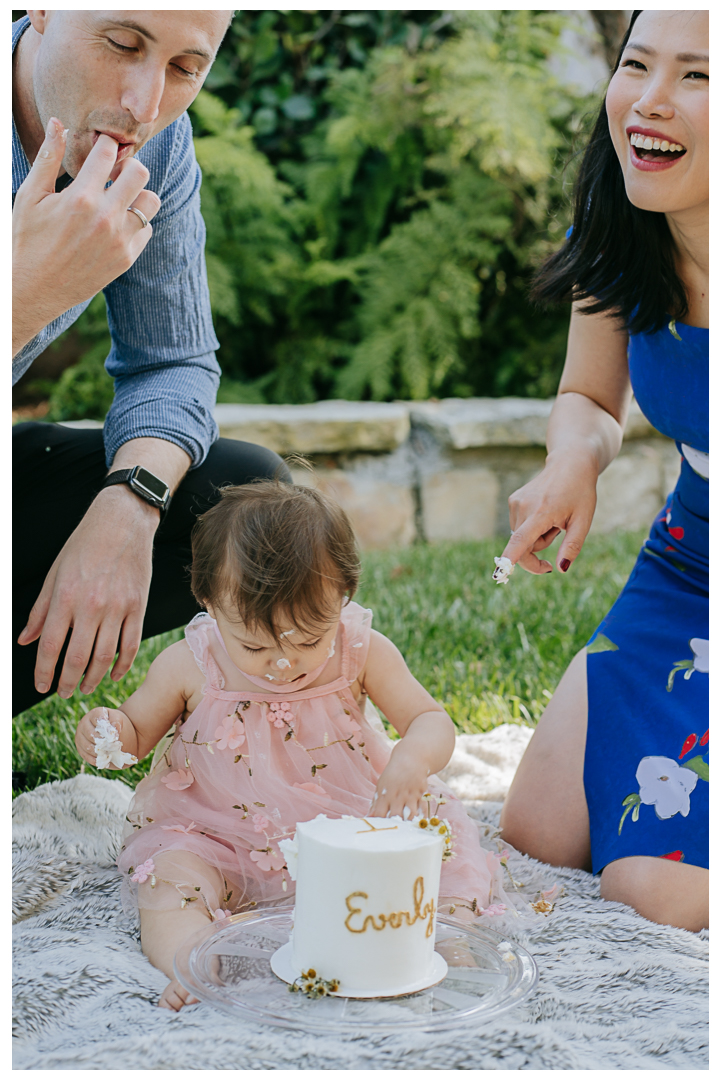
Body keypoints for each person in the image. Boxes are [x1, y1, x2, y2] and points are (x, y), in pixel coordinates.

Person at [74, 481, 516, 1010]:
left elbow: (428, 718)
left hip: (349, 820)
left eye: (309, 640)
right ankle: (191, 962)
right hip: (217, 831)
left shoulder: (359, 651)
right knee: (171, 880)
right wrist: (108, 734)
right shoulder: (192, 664)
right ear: (208, 602)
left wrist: (412, 758)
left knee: (442, 850)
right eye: (254, 645)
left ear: (344, 596)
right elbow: (135, 733)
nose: (282, 663)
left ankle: (441, 938)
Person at [12, 11, 288, 718]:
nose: (142, 103)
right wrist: (23, 297)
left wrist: (129, 503)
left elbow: (174, 361)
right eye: (122, 45)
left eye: (184, 69)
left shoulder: (154, 148)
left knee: (236, 494)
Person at [498, 10, 708, 932]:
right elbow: (589, 394)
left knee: (653, 887)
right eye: (636, 65)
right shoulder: (625, 212)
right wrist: (572, 460)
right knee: (540, 828)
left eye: (698, 76)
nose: (649, 104)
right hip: (691, 562)